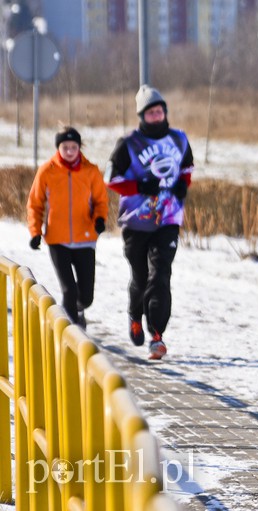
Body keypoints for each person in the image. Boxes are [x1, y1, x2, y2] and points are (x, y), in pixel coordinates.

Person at [106, 84, 193, 360]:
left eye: (160, 111)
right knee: (141, 277)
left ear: (165, 112)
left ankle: (157, 335)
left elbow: (187, 168)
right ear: (142, 116)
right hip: (136, 221)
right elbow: (111, 179)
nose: (156, 116)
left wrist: (181, 186)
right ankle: (134, 314)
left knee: (161, 274)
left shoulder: (179, 139)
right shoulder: (128, 143)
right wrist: (141, 186)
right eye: (151, 113)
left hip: (167, 218)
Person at [27, 126, 109, 328]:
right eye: (65, 147)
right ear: (58, 148)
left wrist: (99, 219)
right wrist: (35, 232)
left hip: (85, 239)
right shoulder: (47, 170)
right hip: (57, 240)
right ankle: (74, 333)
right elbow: (35, 204)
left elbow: (101, 201)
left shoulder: (91, 171)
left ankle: (79, 309)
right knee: (68, 291)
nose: (70, 151)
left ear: (80, 148)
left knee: (86, 296)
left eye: (74, 147)